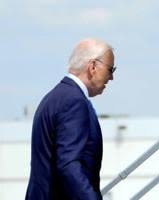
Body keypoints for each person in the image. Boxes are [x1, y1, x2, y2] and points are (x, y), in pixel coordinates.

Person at [25, 38, 116, 200]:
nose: (111, 78)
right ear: (93, 66)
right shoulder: (74, 102)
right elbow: (69, 165)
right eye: (111, 69)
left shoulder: (55, 97)